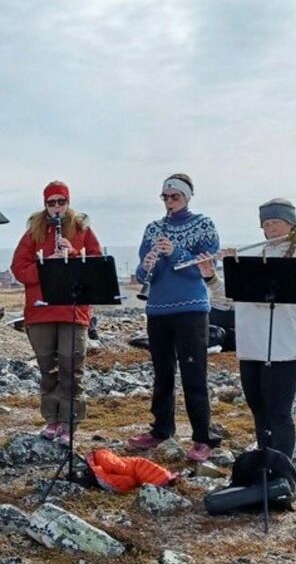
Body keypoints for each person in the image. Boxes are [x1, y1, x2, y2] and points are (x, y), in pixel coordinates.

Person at [199, 198, 296, 459]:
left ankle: (282, 471)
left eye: (276, 223)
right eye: (266, 224)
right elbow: (229, 301)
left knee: (279, 411)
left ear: (291, 225)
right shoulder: (252, 258)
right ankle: (263, 461)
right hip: (251, 347)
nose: (270, 230)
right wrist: (212, 276)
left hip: (286, 349)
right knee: (258, 407)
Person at [128, 174, 221, 462]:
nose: (169, 202)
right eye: (165, 197)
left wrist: (176, 251)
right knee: (162, 374)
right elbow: (143, 275)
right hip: (158, 309)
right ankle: (161, 430)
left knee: (194, 375)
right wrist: (146, 265)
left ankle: (203, 438)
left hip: (192, 309)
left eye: (175, 196)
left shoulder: (204, 224)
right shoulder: (153, 228)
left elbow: (205, 268)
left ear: (187, 197)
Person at [10, 181, 103, 446]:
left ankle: (70, 423)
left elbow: (96, 265)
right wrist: (45, 266)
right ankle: (52, 419)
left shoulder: (82, 229)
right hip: (41, 311)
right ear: (45, 205)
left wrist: (72, 254)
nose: (57, 207)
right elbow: (18, 268)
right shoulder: (34, 232)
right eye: (51, 203)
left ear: (68, 203)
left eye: (61, 202)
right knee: (47, 367)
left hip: (73, 310)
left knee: (71, 366)